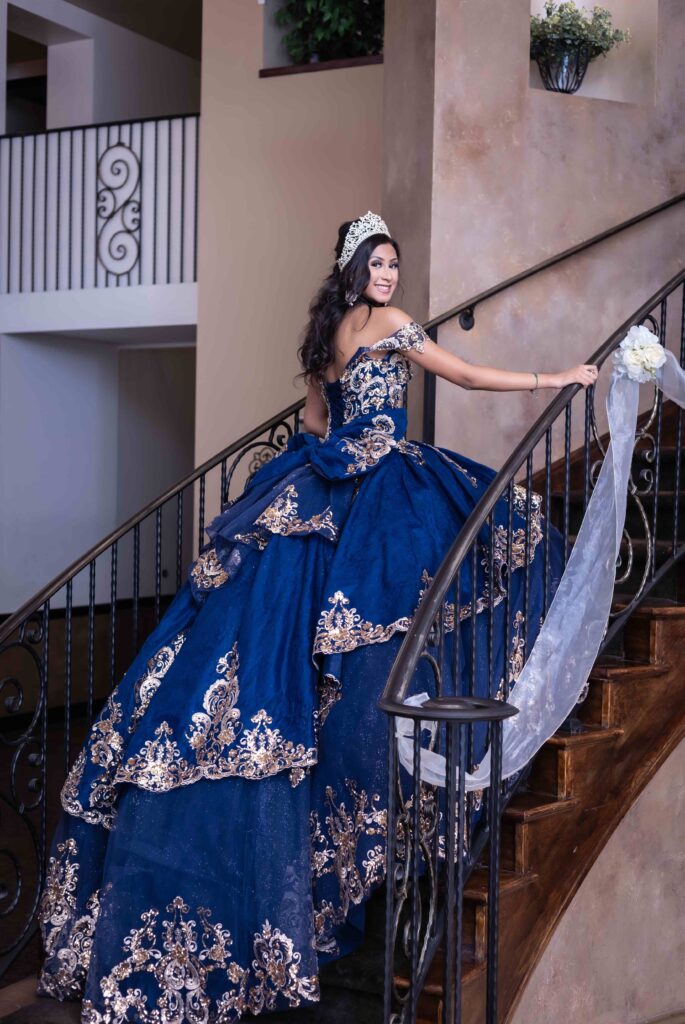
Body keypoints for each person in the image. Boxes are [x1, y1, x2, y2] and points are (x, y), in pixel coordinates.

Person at [37, 212, 597, 1022]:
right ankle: (380, 802)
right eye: (377, 262)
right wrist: (558, 379)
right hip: (378, 494)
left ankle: (356, 813)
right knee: (444, 593)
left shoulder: (325, 336)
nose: (389, 273)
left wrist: (304, 477)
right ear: (352, 267)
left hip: (324, 485)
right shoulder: (394, 327)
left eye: (394, 263)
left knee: (285, 648)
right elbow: (466, 378)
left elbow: (310, 427)